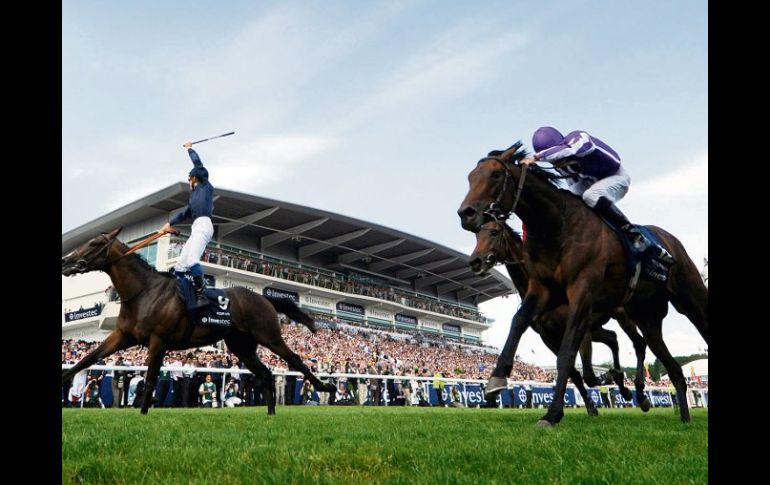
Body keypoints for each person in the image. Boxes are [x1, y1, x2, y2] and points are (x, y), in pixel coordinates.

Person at [524, 126, 673, 264]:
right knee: (569, 201)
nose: (556, 162)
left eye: (555, 158)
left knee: (591, 196)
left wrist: (536, 158)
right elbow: (573, 188)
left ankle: (633, 233)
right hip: (591, 183)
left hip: (616, 177)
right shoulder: (561, 165)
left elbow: (570, 151)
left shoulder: (578, 138)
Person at [158, 142, 215, 307]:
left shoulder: (204, 185)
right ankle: (183, 296)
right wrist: (167, 224)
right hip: (197, 227)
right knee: (180, 267)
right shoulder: (193, 198)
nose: (188, 181)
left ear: (194, 178)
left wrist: (190, 149)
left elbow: (198, 164)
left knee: (191, 260)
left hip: (204, 225)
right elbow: (184, 214)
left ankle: (202, 295)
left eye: (189, 178)